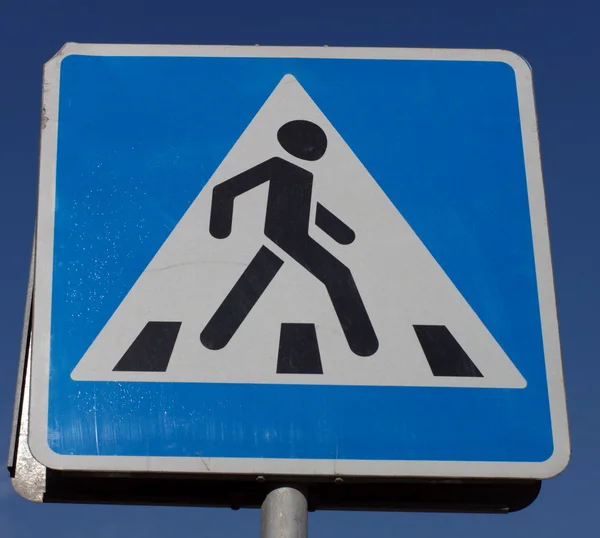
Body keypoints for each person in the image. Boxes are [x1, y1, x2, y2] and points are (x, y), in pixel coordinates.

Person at [200, 119, 378, 357]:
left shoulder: (304, 176)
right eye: (314, 144)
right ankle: (363, 343)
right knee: (338, 275)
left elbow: (311, 210)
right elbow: (227, 190)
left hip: (291, 236)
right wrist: (220, 227)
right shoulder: (277, 166)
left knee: (254, 280)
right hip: (284, 236)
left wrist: (341, 233)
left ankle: (214, 336)